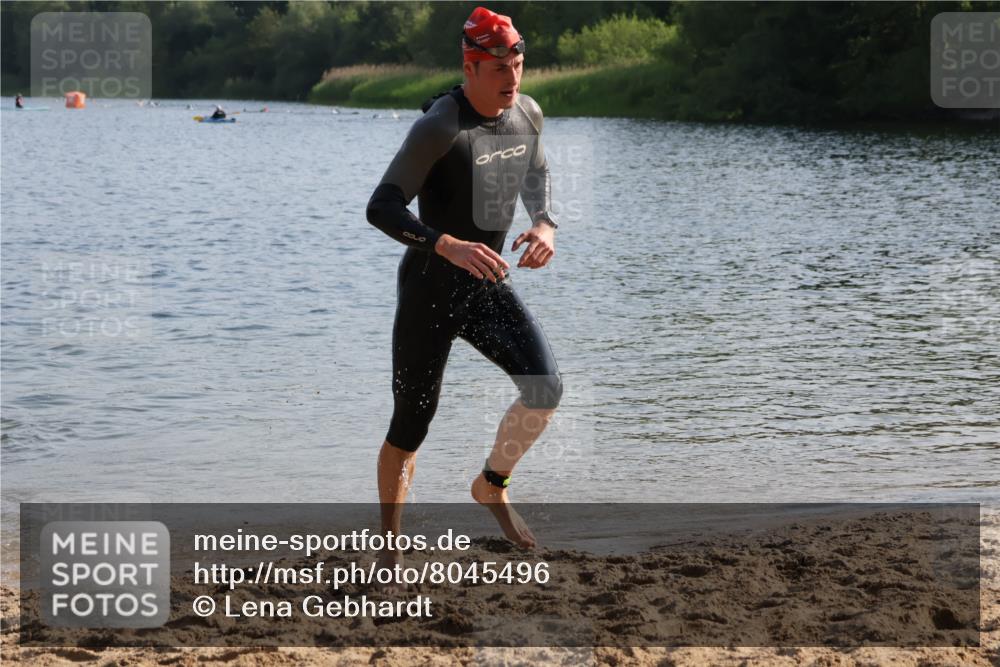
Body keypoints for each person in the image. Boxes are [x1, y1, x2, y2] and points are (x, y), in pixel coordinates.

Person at [366, 6, 562, 577]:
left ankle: (491, 485)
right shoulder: (439, 126)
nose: (512, 79)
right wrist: (443, 244)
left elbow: (538, 177)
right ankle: (389, 545)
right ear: (470, 66)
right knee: (413, 421)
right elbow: (381, 206)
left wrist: (545, 224)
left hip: (486, 284)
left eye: (519, 65)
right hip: (431, 285)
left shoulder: (527, 114)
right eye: (499, 69)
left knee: (544, 389)